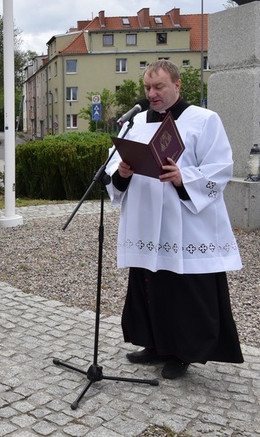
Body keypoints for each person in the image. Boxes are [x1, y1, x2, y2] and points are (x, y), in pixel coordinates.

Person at [105, 60, 244, 379]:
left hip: (185, 225)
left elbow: (220, 169)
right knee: (149, 283)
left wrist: (185, 177)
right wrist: (122, 172)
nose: (151, 94)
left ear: (178, 85)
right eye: (147, 88)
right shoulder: (136, 122)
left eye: (159, 87)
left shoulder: (204, 120)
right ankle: (153, 343)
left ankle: (182, 351)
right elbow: (113, 167)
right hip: (144, 220)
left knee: (182, 289)